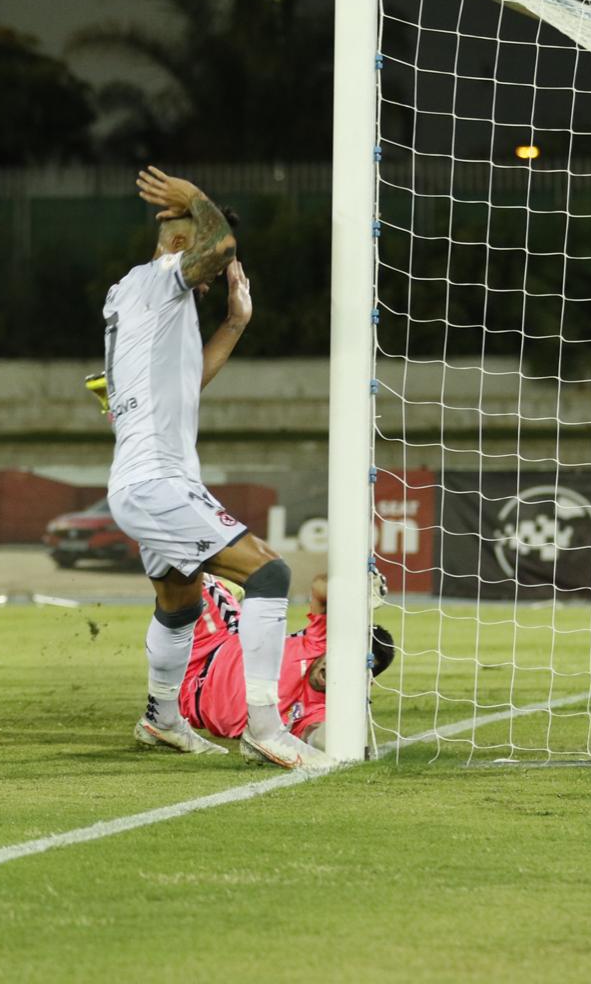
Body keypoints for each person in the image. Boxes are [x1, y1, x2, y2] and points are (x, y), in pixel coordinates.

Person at [108, 165, 335, 770]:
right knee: (267, 574)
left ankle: (160, 718)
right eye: (207, 276)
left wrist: (235, 323)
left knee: (180, 603)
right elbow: (219, 245)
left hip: (148, 478)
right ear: (180, 243)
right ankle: (265, 727)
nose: (209, 285)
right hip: (156, 480)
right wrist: (195, 200)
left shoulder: (134, 296)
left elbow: (184, 386)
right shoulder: (160, 281)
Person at [180, 573, 395, 749]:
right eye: (343, 657)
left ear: (366, 682)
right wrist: (354, 593)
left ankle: (234, 592)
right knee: (184, 569)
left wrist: (346, 732)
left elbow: (317, 737)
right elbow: (320, 585)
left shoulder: (323, 710)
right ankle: (229, 590)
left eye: (352, 668)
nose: (338, 668)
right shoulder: (319, 641)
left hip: (190, 704)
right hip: (216, 642)